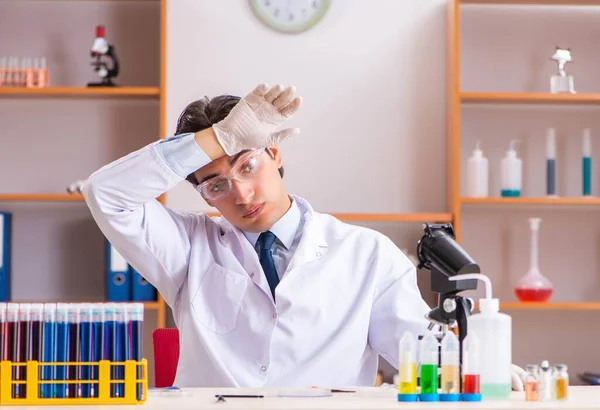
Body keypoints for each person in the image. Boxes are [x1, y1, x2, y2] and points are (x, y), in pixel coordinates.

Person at [82, 83, 526, 389]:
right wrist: (221, 138)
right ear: (202, 194)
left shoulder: (366, 253)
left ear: (274, 154)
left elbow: (420, 345)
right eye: (216, 184)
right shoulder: (187, 248)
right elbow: (105, 193)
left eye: (247, 165)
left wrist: (485, 365)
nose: (240, 193)